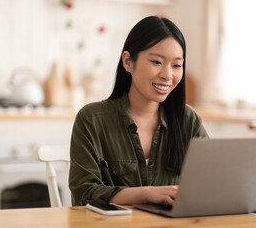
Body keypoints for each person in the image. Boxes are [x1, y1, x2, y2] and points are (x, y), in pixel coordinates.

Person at [69, 16, 209, 206]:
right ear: (128, 61)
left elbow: (212, 182)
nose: (167, 75)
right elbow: (83, 193)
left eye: (177, 65)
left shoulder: (188, 120)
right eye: (157, 62)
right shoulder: (92, 119)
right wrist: (146, 194)